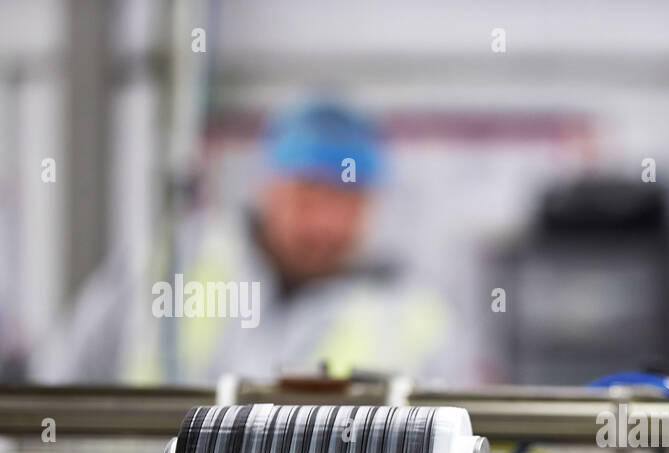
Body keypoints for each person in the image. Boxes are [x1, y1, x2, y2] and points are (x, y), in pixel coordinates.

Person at [40, 99, 485, 385]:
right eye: (308, 195)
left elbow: (458, 445)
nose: (324, 225)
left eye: (345, 201)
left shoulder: (418, 317)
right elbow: (59, 382)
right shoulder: (172, 265)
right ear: (268, 188)